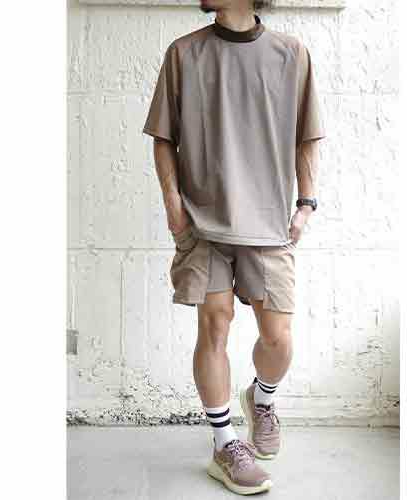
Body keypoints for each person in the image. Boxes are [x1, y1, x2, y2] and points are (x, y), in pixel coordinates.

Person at [142, 0, 325, 495]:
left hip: (268, 222)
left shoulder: (292, 54)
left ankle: (261, 399)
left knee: (278, 337)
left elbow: (307, 136)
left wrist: (305, 203)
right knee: (214, 325)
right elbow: (162, 136)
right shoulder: (184, 53)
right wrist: (173, 203)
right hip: (203, 223)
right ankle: (225, 444)